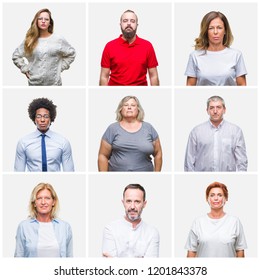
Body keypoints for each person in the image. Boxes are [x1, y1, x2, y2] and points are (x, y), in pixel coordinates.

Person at [12, 8, 76, 86]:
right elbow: (16, 56)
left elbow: (71, 53)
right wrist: (25, 69)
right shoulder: (30, 39)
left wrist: (60, 68)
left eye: (46, 19)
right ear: (36, 21)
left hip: (54, 84)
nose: (43, 21)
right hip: (34, 83)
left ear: (50, 23)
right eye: (40, 19)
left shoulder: (58, 39)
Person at [98, 96, 162, 171]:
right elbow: (103, 155)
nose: (129, 107)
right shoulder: (112, 128)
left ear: (138, 109)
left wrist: (157, 174)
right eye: (125, 105)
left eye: (133, 105)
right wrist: (104, 176)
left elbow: (158, 153)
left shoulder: (149, 128)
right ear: (120, 109)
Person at [184, 95, 247, 171]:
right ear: (207, 110)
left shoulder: (236, 131)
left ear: (224, 110)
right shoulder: (196, 132)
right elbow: (189, 162)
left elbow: (242, 162)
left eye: (218, 107)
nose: (215, 111)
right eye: (211, 108)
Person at [185, 182, 247, 257]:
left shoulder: (234, 221)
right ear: (207, 198)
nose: (216, 198)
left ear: (226, 198)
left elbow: (240, 250)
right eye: (212, 195)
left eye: (220, 195)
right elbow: (191, 252)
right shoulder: (198, 222)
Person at [184, 11, 247, 86]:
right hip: (201, 98)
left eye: (219, 28)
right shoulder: (195, 56)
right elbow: (189, 88)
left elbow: (242, 87)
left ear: (225, 31)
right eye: (211, 28)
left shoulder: (236, 55)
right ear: (206, 31)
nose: (215, 32)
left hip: (230, 97)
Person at [99, 9, 159, 86]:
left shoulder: (147, 46)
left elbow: (153, 76)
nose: (129, 24)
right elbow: (104, 76)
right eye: (125, 21)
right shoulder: (109, 46)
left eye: (132, 21)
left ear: (137, 24)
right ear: (120, 24)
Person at [14, 97, 74, 172]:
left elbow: (69, 172)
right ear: (34, 119)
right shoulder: (23, 142)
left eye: (46, 116)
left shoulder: (63, 142)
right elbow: (18, 172)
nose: (42, 120)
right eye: (39, 116)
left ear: (51, 118)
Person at [14, 182, 73, 257]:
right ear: (34, 203)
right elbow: (18, 257)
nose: (43, 202)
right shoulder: (24, 227)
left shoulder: (65, 227)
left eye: (47, 198)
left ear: (53, 202)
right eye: (39, 198)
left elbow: (70, 258)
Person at [102, 184, 160, 257]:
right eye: (129, 201)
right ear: (123, 203)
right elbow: (108, 266)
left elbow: (151, 267)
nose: (132, 207)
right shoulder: (110, 229)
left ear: (144, 204)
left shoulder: (152, 232)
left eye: (137, 201)